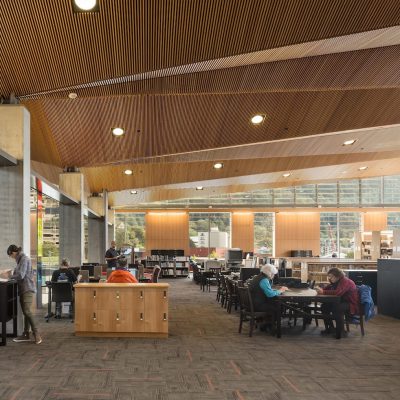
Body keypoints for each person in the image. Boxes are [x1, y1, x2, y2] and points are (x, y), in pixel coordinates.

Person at [7, 244, 42, 344]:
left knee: (27, 311)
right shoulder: (20, 259)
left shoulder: (24, 259)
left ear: (13, 252)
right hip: (23, 289)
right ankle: (26, 334)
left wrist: (9, 276)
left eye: (10, 255)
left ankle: (36, 333)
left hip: (27, 288)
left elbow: (21, 275)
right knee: (25, 312)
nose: (11, 257)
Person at [315, 267, 359, 337]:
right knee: (324, 306)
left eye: (331, 277)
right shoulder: (336, 281)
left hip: (350, 303)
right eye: (329, 277)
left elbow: (338, 292)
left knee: (337, 308)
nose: (329, 278)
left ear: (337, 276)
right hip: (341, 301)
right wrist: (321, 289)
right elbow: (329, 288)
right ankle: (330, 328)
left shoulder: (345, 281)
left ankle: (341, 331)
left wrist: (323, 291)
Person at [247, 264, 288, 328]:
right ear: (270, 273)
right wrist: (280, 290)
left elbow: (268, 291)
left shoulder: (257, 277)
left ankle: (266, 323)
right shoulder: (264, 280)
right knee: (279, 306)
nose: (274, 276)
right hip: (257, 305)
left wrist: (276, 291)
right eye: (273, 274)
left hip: (252, 304)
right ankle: (271, 326)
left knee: (275, 303)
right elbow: (270, 294)